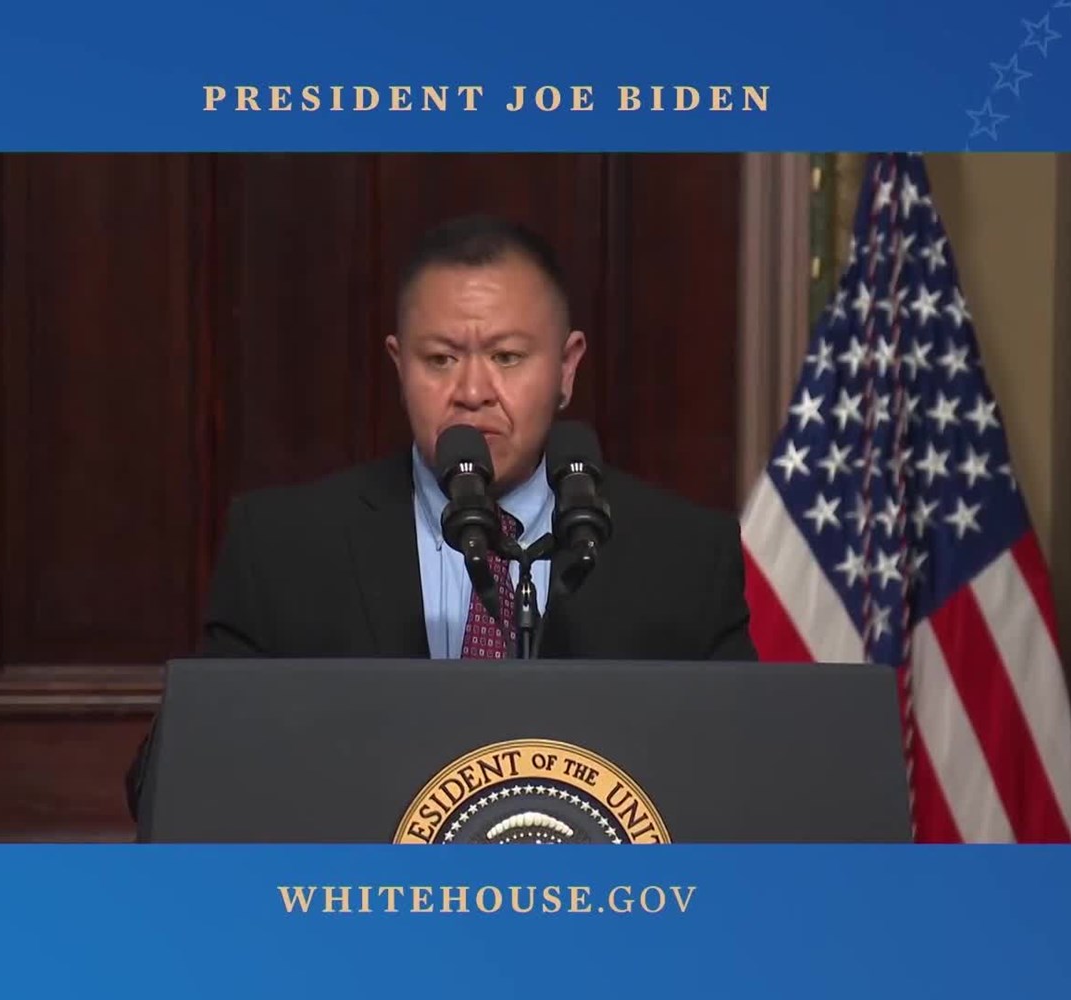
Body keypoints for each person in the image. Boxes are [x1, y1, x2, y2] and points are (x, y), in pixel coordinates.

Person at [125, 214, 756, 815]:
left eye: (508, 357)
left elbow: (745, 776)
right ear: (399, 367)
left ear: (566, 369)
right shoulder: (285, 549)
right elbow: (176, 778)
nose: (473, 392)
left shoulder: (683, 555)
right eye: (440, 360)